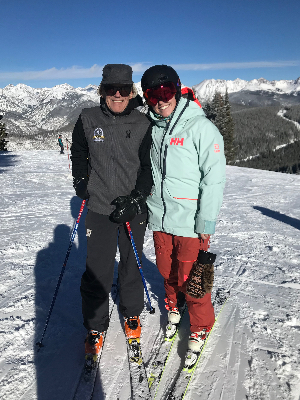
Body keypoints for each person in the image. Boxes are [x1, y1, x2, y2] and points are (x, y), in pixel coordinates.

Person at [141, 65, 226, 357]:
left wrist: (206, 220)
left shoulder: (201, 128)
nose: (161, 100)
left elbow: (213, 178)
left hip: (190, 222)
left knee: (194, 279)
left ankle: (201, 324)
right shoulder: (152, 128)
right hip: (161, 219)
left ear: (177, 89)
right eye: (153, 95)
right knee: (167, 272)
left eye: (166, 92)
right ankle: (173, 305)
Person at [71, 64, 152, 360]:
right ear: (102, 91)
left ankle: (132, 315)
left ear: (131, 92)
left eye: (123, 89)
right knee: (98, 269)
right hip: (100, 207)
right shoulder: (87, 119)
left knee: (131, 264)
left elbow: (148, 167)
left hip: (133, 208)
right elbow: (78, 152)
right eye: (110, 89)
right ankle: (95, 326)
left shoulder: (144, 123)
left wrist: (137, 198)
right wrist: (81, 181)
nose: (117, 95)